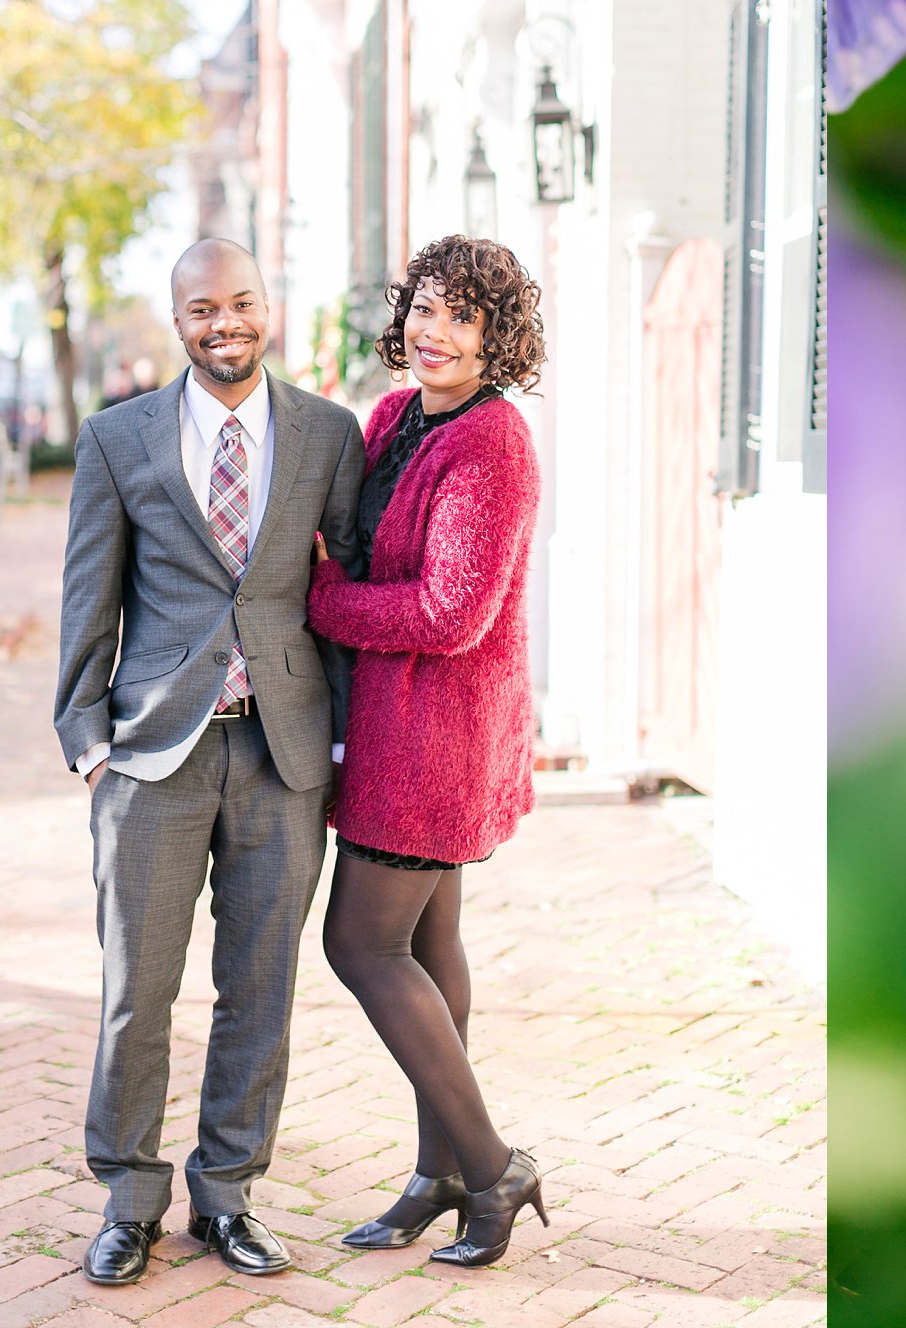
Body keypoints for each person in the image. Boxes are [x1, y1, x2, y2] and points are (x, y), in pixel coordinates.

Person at [53, 238, 367, 1286]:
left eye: (239, 304)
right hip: (152, 756)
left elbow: (344, 589)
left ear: (267, 307)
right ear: (176, 320)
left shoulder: (326, 433)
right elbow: (88, 595)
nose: (222, 323)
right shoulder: (116, 438)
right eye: (201, 309)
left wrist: (342, 739)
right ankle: (129, 1199)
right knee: (138, 989)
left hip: (281, 750)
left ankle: (227, 1194)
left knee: (259, 984)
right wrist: (88, 736)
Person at [304, 233, 547, 1268]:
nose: (434, 332)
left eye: (462, 316)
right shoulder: (396, 415)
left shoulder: (493, 445)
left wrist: (321, 601)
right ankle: (438, 1170)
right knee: (428, 944)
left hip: (435, 738)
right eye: (424, 309)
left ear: (498, 340)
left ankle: (493, 1169)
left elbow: (450, 613)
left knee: (360, 946)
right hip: (392, 724)